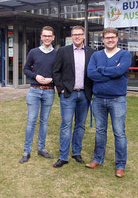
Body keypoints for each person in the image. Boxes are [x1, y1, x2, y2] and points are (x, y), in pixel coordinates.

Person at [86, 27, 131, 178]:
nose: (110, 40)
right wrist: (112, 71)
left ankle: (120, 165)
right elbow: (91, 74)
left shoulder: (125, 55)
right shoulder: (96, 55)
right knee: (100, 131)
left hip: (117, 99)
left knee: (119, 133)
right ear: (103, 40)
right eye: (107, 37)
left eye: (112, 37)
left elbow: (120, 71)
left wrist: (102, 70)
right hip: (98, 99)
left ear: (118, 38)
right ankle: (98, 159)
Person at [52, 25, 95, 168]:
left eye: (80, 34)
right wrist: (61, 89)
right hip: (68, 94)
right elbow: (56, 71)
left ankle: (77, 152)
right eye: (74, 34)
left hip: (84, 94)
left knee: (80, 125)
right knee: (66, 125)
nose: (77, 36)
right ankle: (63, 156)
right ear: (71, 36)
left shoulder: (91, 52)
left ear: (84, 36)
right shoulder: (63, 51)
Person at [19, 26, 57, 163]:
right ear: (41, 37)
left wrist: (52, 79)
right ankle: (26, 151)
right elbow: (26, 69)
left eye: (49, 36)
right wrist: (36, 76)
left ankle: (42, 149)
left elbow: (59, 72)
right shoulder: (33, 52)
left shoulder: (57, 54)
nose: (47, 38)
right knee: (31, 121)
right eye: (45, 35)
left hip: (49, 91)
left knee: (44, 122)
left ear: (53, 38)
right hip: (34, 90)